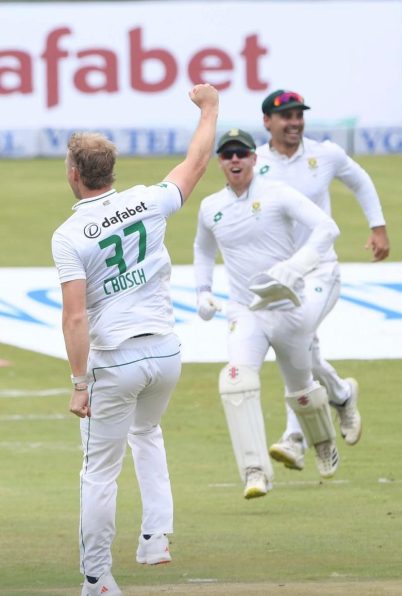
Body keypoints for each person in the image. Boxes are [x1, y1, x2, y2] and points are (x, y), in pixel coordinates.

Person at [51, 84, 219, 596]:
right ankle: (155, 537)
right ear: (111, 172)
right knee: (147, 434)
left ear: (75, 174)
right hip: (166, 353)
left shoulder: (69, 236)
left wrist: (80, 384)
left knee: (99, 472)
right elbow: (196, 160)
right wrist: (211, 108)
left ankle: (97, 578)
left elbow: (75, 319)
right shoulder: (148, 201)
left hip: (115, 361)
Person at [193, 128, 341, 499]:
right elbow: (202, 249)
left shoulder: (278, 194)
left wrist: (296, 266)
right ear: (220, 163)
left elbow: (327, 227)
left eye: (241, 154)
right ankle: (255, 470)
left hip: (288, 307)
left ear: (254, 159)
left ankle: (322, 441)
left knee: (301, 390)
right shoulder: (211, 207)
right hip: (246, 310)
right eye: (227, 156)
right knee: (237, 383)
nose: (235, 161)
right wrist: (203, 291)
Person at [255, 89, 390, 472]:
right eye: (286, 117)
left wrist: (377, 227)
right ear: (268, 122)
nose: (295, 123)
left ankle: (294, 437)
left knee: (293, 340)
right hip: (281, 277)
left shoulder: (324, 154)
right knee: (302, 349)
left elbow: (360, 181)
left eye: (299, 116)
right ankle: (341, 394)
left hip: (320, 271)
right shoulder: (255, 163)